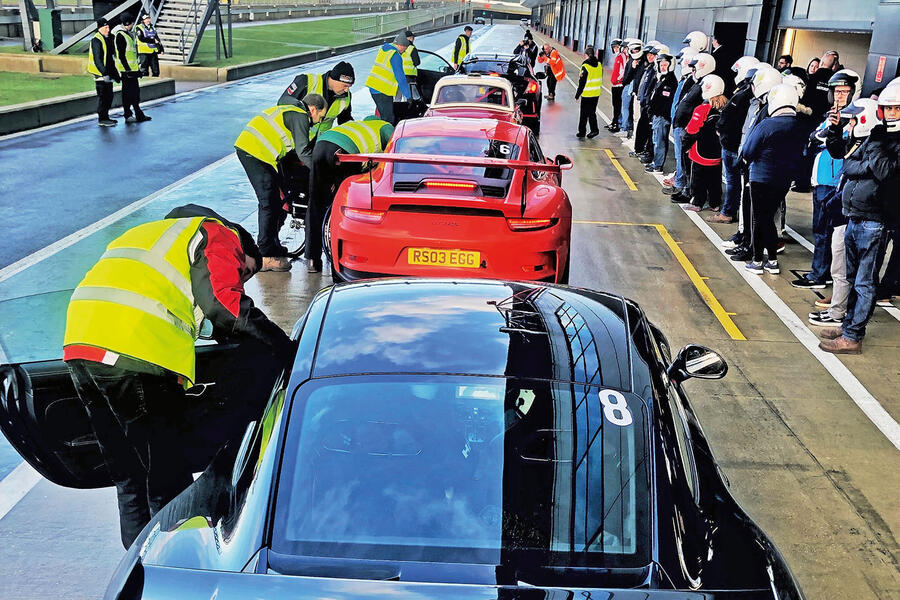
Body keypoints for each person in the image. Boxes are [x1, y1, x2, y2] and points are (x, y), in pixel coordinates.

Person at [63, 203, 293, 548]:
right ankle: (174, 562)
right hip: (135, 351)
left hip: (80, 343)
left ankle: (138, 568)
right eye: (243, 271)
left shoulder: (146, 235)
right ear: (241, 248)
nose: (241, 280)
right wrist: (288, 350)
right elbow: (224, 304)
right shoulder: (219, 233)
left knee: (128, 475)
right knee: (166, 477)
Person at [818, 84, 900, 353]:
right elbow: (848, 163)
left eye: (896, 108)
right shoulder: (878, 136)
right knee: (853, 278)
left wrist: (874, 149)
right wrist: (868, 162)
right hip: (855, 216)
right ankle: (849, 325)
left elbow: (886, 172)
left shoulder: (884, 140)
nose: (891, 113)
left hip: (874, 221)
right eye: (888, 108)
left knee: (865, 282)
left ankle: (853, 336)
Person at [234, 94, 326, 272]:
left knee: (277, 200)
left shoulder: (291, 110)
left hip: (258, 152)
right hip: (254, 152)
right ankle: (265, 255)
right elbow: (303, 152)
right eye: (320, 117)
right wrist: (319, 172)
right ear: (313, 109)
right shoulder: (301, 116)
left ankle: (271, 246)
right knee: (268, 201)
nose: (317, 122)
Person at [808, 98, 879, 327]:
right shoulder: (857, 143)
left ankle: (840, 314)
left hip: (857, 217)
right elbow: (838, 151)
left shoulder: (871, 147)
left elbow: (848, 166)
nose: (849, 124)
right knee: (842, 268)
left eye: (853, 120)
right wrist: (836, 129)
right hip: (846, 212)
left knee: (845, 270)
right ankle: (839, 310)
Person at [792, 69, 860, 289]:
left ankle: (819, 274)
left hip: (834, 182)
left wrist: (833, 131)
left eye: (844, 91)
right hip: (821, 179)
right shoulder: (830, 116)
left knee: (825, 231)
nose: (839, 96)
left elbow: (839, 146)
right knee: (821, 230)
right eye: (836, 91)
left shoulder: (854, 120)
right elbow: (813, 138)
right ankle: (822, 271)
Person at [305, 117, 395, 273]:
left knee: (316, 201)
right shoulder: (386, 127)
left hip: (322, 144)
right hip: (346, 153)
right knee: (344, 205)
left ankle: (313, 259)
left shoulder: (359, 125)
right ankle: (339, 256)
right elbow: (394, 152)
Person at [741, 84, 809, 275]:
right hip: (783, 179)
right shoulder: (800, 126)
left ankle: (757, 260)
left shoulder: (767, 124)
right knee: (768, 217)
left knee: (759, 219)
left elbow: (748, 150)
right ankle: (771, 260)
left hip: (761, 177)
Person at [710, 55, 758, 223]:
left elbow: (726, 118)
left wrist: (720, 131)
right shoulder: (751, 97)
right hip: (738, 145)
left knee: (733, 181)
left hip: (732, 146)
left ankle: (728, 212)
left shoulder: (742, 95)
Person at [669, 52, 716, 204]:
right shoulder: (697, 82)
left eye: (695, 68)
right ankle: (686, 189)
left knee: (690, 164)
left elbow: (693, 107)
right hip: (685, 127)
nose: (693, 71)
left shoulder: (707, 84)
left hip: (690, 129)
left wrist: (688, 130)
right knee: (684, 161)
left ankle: (689, 191)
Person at [682, 74, 726, 212]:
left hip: (700, 153)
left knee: (698, 179)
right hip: (717, 153)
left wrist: (685, 146)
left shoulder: (702, 109)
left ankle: (697, 202)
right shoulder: (726, 106)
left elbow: (691, 130)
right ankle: (715, 203)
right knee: (715, 179)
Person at [278, 61, 354, 138]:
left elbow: (344, 120)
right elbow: (283, 102)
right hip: (292, 138)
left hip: (317, 143)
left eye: (349, 86)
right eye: (345, 85)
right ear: (334, 79)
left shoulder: (346, 96)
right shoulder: (306, 81)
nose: (346, 90)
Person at [662, 46, 698, 194]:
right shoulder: (686, 80)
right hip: (678, 122)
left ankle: (681, 185)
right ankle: (679, 181)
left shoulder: (691, 82)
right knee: (679, 157)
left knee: (681, 157)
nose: (681, 63)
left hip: (682, 125)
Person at [366, 33, 412, 126]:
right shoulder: (395, 55)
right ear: (400, 45)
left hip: (374, 88)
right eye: (405, 48)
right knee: (388, 119)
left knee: (384, 116)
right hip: (382, 91)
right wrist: (408, 96)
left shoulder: (384, 50)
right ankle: (387, 139)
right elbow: (400, 77)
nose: (405, 50)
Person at [112, 14, 149, 123]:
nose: (133, 25)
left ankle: (138, 114)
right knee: (128, 94)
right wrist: (127, 69)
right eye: (132, 23)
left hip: (132, 69)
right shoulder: (120, 35)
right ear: (128, 23)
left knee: (135, 93)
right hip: (126, 71)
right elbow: (121, 55)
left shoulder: (129, 34)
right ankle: (128, 114)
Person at [646, 51, 677, 173]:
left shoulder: (670, 81)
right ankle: (656, 162)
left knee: (660, 141)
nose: (663, 67)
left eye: (665, 65)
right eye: (661, 65)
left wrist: (658, 112)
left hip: (662, 117)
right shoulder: (662, 78)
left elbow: (666, 102)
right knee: (656, 140)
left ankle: (658, 165)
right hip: (657, 115)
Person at [87, 18, 119, 127]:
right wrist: (104, 73)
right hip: (100, 74)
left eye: (108, 27)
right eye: (106, 27)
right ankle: (102, 118)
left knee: (109, 96)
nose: (108, 29)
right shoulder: (96, 40)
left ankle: (106, 117)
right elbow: (97, 59)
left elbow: (110, 58)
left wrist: (115, 74)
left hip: (107, 73)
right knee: (103, 96)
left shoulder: (106, 39)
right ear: (100, 28)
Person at [631, 43, 658, 164]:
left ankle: (646, 152)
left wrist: (647, 102)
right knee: (642, 127)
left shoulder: (655, 72)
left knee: (649, 131)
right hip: (644, 103)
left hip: (649, 106)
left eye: (653, 55)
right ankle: (639, 149)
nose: (650, 57)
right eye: (648, 54)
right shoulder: (648, 68)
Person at [574, 45, 602, 139]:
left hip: (587, 93)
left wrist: (577, 94)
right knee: (592, 112)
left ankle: (583, 132)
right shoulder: (599, 64)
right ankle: (594, 130)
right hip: (596, 93)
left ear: (586, 55)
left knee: (584, 114)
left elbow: (582, 82)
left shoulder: (585, 65)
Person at [617, 40, 644, 137]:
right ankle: (627, 128)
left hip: (635, 89)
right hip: (632, 88)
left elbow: (626, 78)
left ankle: (626, 128)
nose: (635, 52)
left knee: (628, 109)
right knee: (627, 108)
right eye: (633, 50)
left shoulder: (640, 62)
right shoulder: (632, 61)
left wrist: (633, 68)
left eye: (637, 50)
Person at [135, 13, 164, 77]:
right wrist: (153, 41)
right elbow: (141, 38)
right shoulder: (139, 28)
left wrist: (161, 48)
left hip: (153, 52)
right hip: (144, 52)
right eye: (146, 19)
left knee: (156, 71)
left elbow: (157, 38)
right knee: (144, 71)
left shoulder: (152, 28)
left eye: (149, 19)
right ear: (143, 20)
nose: (148, 20)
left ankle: (155, 85)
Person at [607, 38, 626, 132]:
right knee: (615, 105)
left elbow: (624, 70)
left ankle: (617, 124)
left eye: (617, 47)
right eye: (614, 47)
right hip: (615, 85)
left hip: (619, 85)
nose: (615, 49)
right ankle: (614, 121)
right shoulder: (618, 56)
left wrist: (618, 80)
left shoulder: (622, 56)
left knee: (618, 106)